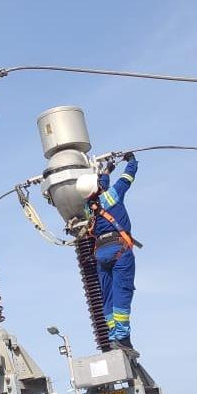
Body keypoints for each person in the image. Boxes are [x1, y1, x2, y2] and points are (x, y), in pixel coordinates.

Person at [76, 152, 140, 357]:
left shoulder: (88, 208)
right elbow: (127, 178)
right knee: (122, 291)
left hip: (101, 254)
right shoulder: (112, 195)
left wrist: (105, 171)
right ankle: (123, 338)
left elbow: (99, 187)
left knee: (108, 296)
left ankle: (114, 336)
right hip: (119, 250)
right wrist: (131, 161)